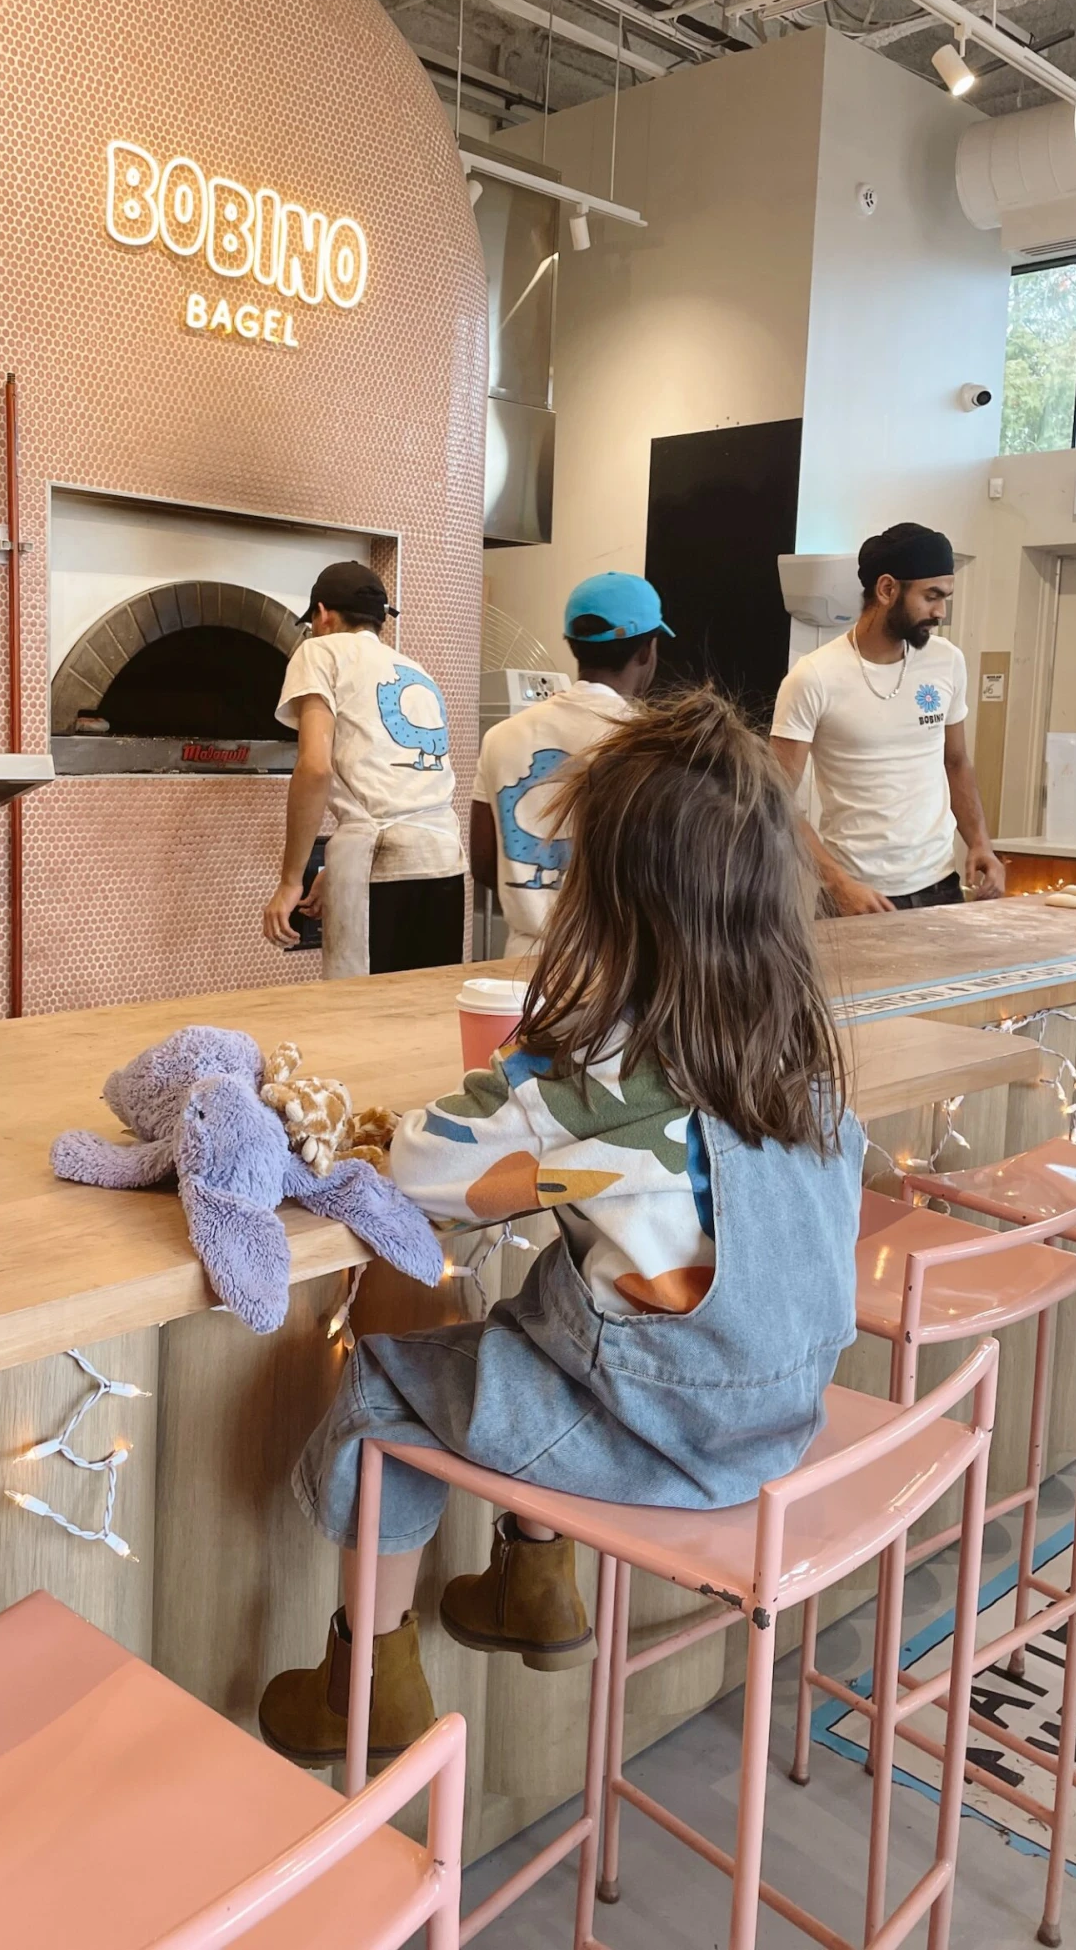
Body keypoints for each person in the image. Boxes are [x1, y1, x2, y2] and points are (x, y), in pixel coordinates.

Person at [257, 687, 864, 1768]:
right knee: (552, 1303)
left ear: (605, 897)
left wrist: (522, 1063)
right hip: (781, 1419)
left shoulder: (594, 1069)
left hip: (665, 1439)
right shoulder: (798, 1050)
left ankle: (367, 1685)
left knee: (384, 1389)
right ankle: (531, 1586)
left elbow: (425, 1167)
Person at [769, 522, 1006, 915]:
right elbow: (774, 799)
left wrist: (980, 842)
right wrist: (837, 883)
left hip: (940, 888)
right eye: (931, 596)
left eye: (945, 598)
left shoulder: (947, 661)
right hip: (855, 897)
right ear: (886, 589)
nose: (941, 612)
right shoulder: (813, 677)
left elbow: (956, 762)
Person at [263, 561, 465, 978]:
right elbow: (397, 785)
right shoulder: (415, 670)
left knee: (361, 1009)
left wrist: (289, 882)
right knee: (425, 1006)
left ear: (322, 614)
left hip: (381, 860)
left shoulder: (319, 651)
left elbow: (314, 768)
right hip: (445, 862)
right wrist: (341, 869)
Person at [471, 571, 669, 947]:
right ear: (647, 651)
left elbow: (483, 862)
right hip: (615, 960)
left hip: (522, 959)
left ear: (572, 644)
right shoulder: (650, 742)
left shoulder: (500, 737)